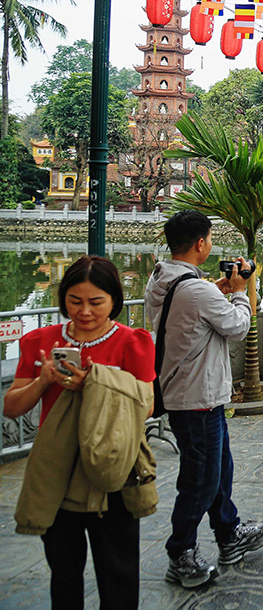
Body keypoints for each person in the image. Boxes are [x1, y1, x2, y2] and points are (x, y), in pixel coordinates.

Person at [5, 256, 156, 608]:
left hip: (112, 466)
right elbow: (12, 406)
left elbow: (146, 405)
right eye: (75, 301)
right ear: (63, 298)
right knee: (64, 570)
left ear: (114, 300)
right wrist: (43, 380)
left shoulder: (134, 342)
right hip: (57, 469)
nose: (85, 311)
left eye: (96, 302)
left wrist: (96, 384)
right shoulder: (39, 342)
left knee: (118, 570)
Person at [144, 210, 263, 588]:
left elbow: (190, 310)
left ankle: (229, 533)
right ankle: (180, 552)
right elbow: (237, 327)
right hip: (196, 395)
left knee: (218, 470)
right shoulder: (197, 289)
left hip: (189, 391)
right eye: (210, 238)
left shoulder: (163, 278)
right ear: (201, 243)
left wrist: (217, 288)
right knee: (200, 480)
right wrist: (237, 293)